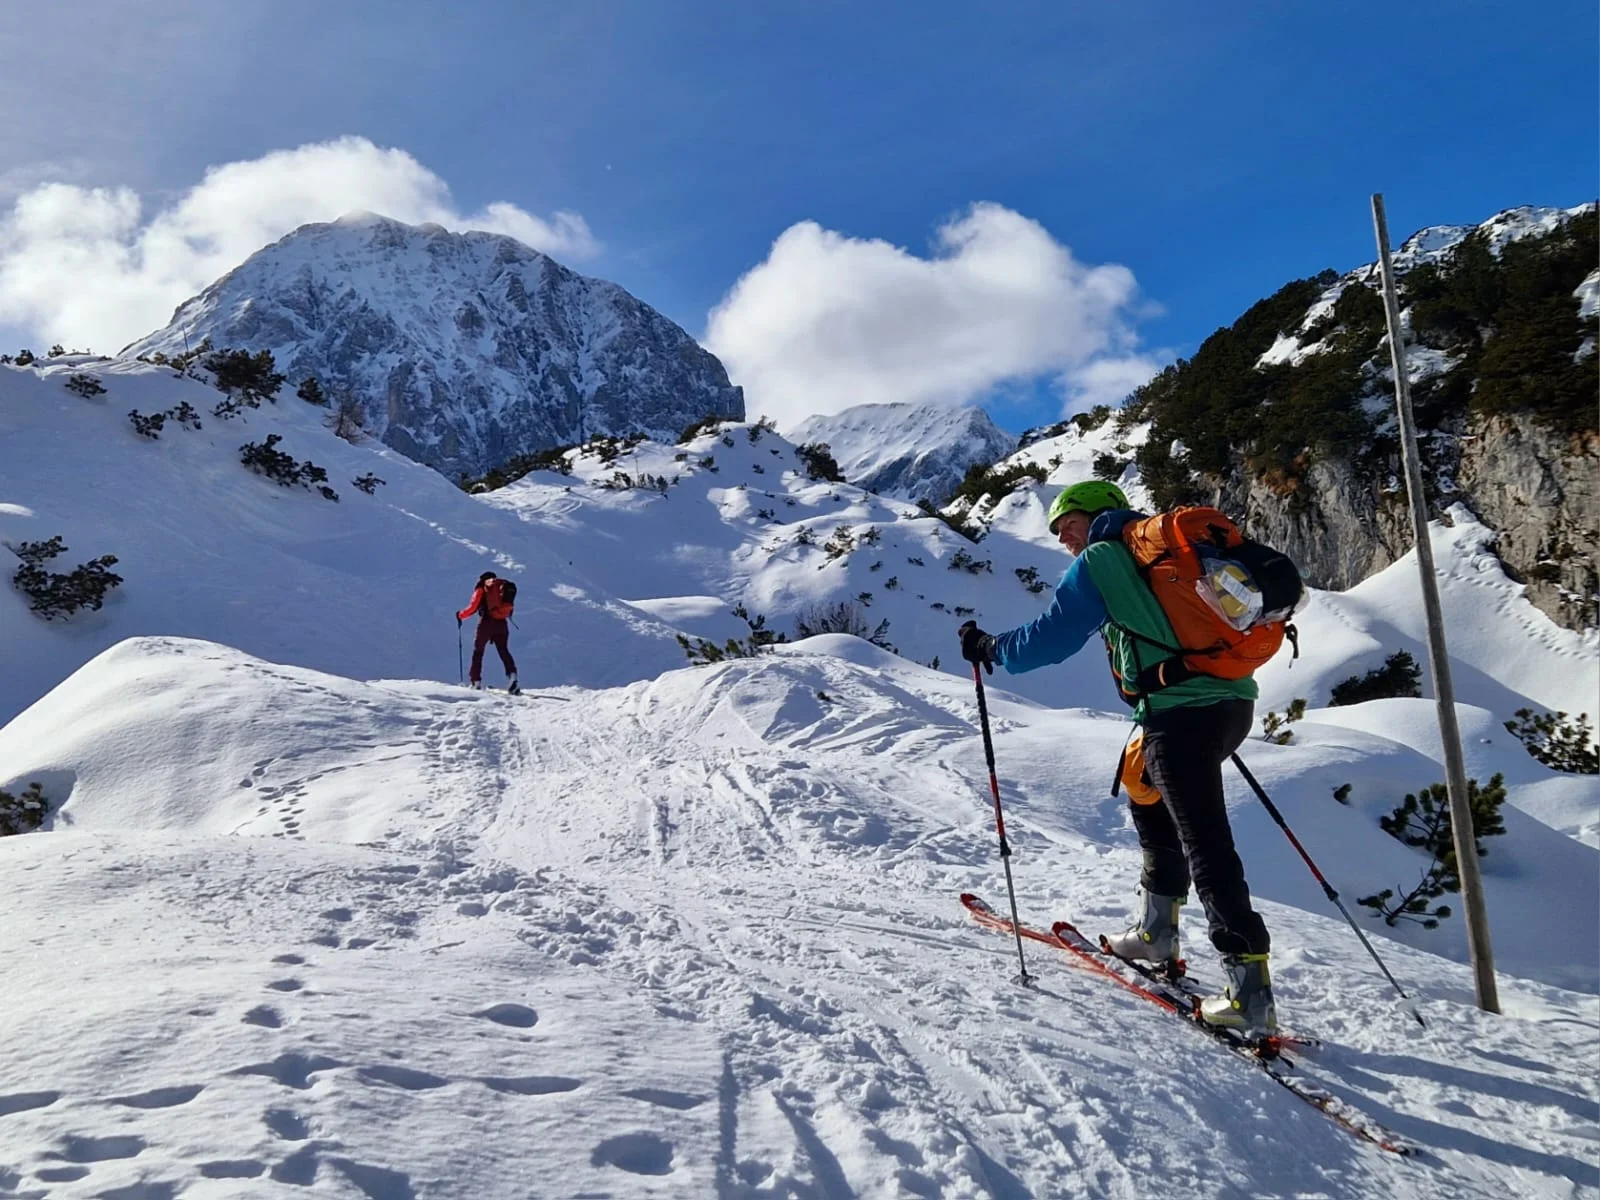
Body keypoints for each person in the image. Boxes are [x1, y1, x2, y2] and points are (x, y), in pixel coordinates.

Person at [957, 480, 1276, 1033]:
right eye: (1056, 533)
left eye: (1068, 526)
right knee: (1142, 785)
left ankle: (1249, 993)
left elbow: (1050, 639)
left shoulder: (1106, 557)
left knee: (1206, 844)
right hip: (1225, 704)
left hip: (1181, 715)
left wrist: (990, 649)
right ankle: (1157, 933)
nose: (1063, 540)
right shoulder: (1163, 557)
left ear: (1095, 514)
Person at [457, 571, 519, 694]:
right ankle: (512, 676)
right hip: (501, 623)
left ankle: (476, 682)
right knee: (503, 650)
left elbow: (473, 607)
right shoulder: (503, 587)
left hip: (486, 623)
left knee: (478, 651)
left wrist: (460, 615)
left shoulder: (482, 588)